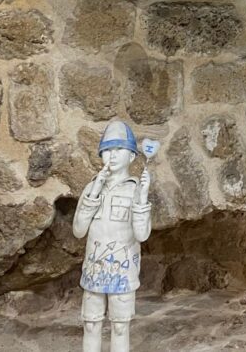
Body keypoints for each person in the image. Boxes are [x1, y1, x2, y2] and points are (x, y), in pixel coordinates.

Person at [73, 120, 152, 352]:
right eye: (107, 150)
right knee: (91, 324)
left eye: (119, 149)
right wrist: (94, 192)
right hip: (94, 270)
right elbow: (78, 230)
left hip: (123, 272)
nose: (113, 155)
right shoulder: (91, 188)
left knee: (119, 327)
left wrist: (142, 199)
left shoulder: (135, 189)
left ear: (131, 156)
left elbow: (142, 234)